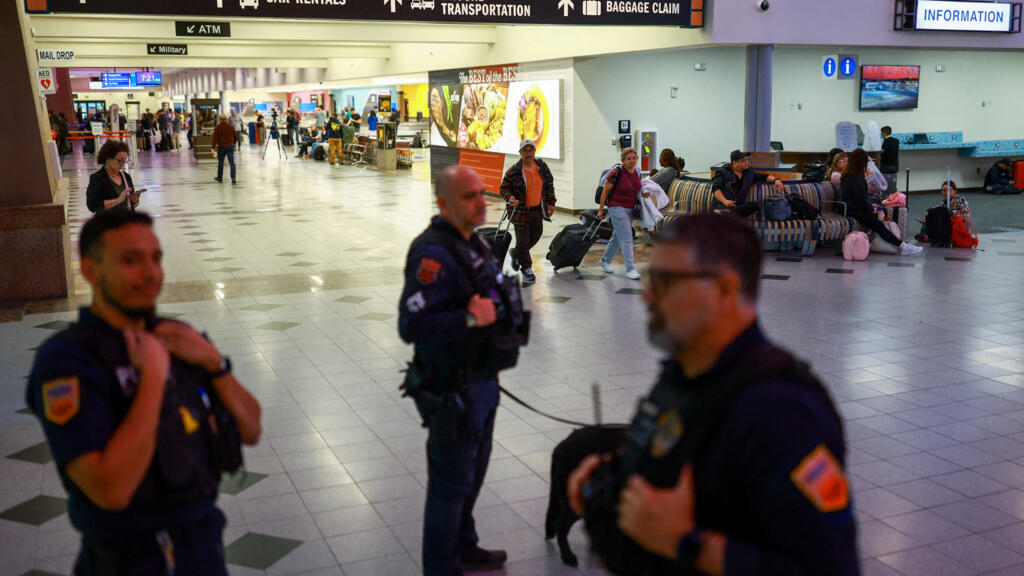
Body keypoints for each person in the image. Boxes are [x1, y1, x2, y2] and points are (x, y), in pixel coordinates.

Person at [567, 213, 859, 576]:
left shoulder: (782, 412)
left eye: (664, 281)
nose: (646, 294)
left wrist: (686, 542)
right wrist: (616, 479)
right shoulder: (685, 375)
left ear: (723, 289)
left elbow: (831, 568)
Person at [26, 209, 262, 576]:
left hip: (203, 549)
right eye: (131, 261)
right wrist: (153, 377)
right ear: (91, 270)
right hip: (129, 560)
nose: (151, 274)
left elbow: (251, 429)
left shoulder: (178, 337)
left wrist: (215, 363)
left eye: (155, 258)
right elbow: (112, 490)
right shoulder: (68, 361)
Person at [398, 165, 529, 576]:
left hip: (482, 381)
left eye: (480, 193)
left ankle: (465, 546)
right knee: (450, 486)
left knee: (471, 477)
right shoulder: (433, 253)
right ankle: (441, 567)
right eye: (469, 196)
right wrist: (469, 320)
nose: (480, 201)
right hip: (452, 391)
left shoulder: (472, 243)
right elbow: (410, 325)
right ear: (444, 203)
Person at [841, 149, 922, 255]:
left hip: (850, 209)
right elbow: (861, 198)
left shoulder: (848, 175)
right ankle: (902, 246)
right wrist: (871, 208)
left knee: (878, 222)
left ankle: (901, 245)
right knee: (879, 225)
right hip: (856, 211)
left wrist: (870, 205)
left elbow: (857, 197)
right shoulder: (856, 177)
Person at [500, 139, 556, 286]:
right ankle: (526, 268)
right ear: (520, 153)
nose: (529, 153)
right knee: (523, 240)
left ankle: (516, 253)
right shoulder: (514, 171)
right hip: (520, 211)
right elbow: (504, 188)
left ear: (535, 152)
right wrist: (510, 197)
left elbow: (549, 184)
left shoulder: (542, 167)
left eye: (531, 150)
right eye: (525, 150)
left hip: (537, 209)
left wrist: (551, 202)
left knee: (536, 235)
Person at [597, 148, 644, 279]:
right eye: (628, 158)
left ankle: (605, 261)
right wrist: (601, 210)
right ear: (622, 160)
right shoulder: (616, 173)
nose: (632, 161)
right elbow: (605, 191)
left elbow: (638, 190)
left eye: (634, 158)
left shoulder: (637, 172)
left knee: (618, 237)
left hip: (630, 209)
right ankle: (630, 269)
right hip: (616, 208)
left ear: (637, 159)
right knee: (627, 236)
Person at [711, 150, 785, 218]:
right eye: (743, 161)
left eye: (747, 160)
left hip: (737, 207)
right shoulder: (723, 172)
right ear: (734, 163)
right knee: (727, 212)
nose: (746, 163)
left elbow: (764, 176)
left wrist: (776, 180)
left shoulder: (749, 173)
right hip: (722, 205)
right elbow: (716, 188)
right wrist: (725, 201)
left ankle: (728, 215)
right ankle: (727, 215)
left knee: (755, 205)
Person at [86, 141, 142, 213]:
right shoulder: (97, 178)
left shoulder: (126, 176)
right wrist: (118, 200)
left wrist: (134, 201)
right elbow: (92, 206)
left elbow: (131, 204)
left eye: (124, 161)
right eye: (119, 161)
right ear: (108, 158)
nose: (122, 165)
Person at [211, 114, 238, 184]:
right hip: (230, 147)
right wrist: (233, 143)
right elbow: (235, 137)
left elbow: (215, 139)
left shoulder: (217, 127)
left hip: (221, 147)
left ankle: (220, 178)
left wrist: (213, 148)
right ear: (226, 119)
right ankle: (233, 178)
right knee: (232, 163)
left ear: (219, 120)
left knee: (221, 163)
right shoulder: (231, 127)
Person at [879, 126, 899, 191]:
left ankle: (885, 195)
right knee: (892, 184)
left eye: (881, 133)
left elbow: (881, 152)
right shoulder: (896, 141)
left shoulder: (883, 142)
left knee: (885, 184)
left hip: (885, 167)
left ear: (884, 133)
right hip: (895, 166)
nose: (881, 135)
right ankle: (893, 194)